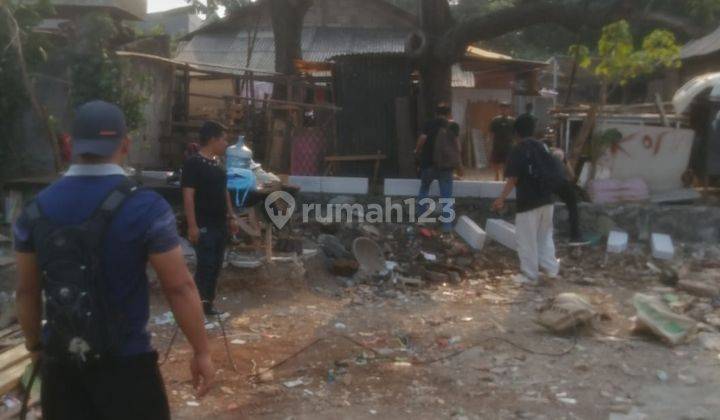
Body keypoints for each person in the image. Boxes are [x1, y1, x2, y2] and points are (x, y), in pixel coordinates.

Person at [14, 100, 214, 420]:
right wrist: (201, 351)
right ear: (126, 144)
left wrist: (36, 347)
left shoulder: (34, 210)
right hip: (128, 370)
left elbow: (26, 292)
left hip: (62, 371)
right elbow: (179, 287)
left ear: (69, 143)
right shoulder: (146, 207)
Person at [491, 118, 560, 284]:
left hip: (529, 202)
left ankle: (530, 275)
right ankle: (551, 270)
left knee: (526, 239)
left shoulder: (518, 149)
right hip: (547, 199)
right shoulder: (542, 146)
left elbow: (513, 178)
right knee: (545, 237)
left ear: (516, 133)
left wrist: (501, 199)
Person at [182, 121, 239, 316]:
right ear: (213, 139)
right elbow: (188, 195)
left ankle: (207, 305)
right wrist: (192, 226)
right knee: (205, 265)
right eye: (223, 139)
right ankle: (194, 308)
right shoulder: (193, 163)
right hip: (203, 224)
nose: (226, 143)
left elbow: (224, 192)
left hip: (219, 223)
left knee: (215, 265)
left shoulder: (217, 163)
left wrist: (231, 217)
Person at [414, 103, 461, 232]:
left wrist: (417, 151)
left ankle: (422, 220)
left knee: (424, 189)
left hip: (428, 164)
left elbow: (422, 139)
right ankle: (447, 225)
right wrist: (457, 163)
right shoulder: (453, 126)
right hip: (446, 167)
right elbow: (457, 146)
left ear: (436, 113)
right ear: (449, 114)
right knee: (446, 195)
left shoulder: (429, 124)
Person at [489, 102, 516, 181]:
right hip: (497, 144)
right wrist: (490, 144)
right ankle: (496, 176)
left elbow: (515, 134)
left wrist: (515, 144)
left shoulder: (512, 121)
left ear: (509, 110)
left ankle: (504, 177)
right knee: (495, 162)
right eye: (502, 108)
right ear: (500, 109)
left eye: (506, 108)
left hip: (508, 145)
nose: (504, 110)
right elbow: (491, 133)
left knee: (507, 162)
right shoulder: (495, 120)